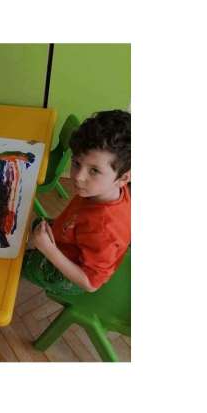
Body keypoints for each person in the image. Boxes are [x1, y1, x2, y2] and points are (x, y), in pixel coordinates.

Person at [25, 110, 131, 295]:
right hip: (67, 235)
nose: (78, 177)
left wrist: (48, 250)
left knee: (19, 265)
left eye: (94, 171)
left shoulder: (104, 230)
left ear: (123, 178)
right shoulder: (102, 190)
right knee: (33, 224)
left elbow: (90, 284)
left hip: (67, 274)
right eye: (76, 163)